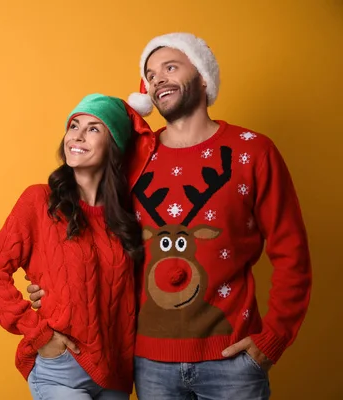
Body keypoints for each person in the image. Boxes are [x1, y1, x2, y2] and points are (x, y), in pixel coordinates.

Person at [27, 32, 312, 400]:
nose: (158, 78)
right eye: (150, 73)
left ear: (204, 77)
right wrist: (51, 284)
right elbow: (94, 233)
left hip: (232, 361)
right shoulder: (132, 159)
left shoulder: (253, 152)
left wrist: (273, 339)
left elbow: (293, 253)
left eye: (171, 67)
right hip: (149, 364)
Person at [0, 93, 155, 399]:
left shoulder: (126, 217)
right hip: (62, 367)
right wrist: (39, 333)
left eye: (93, 128)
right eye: (74, 125)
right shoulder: (40, 201)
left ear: (114, 146)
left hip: (116, 375)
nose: (77, 135)